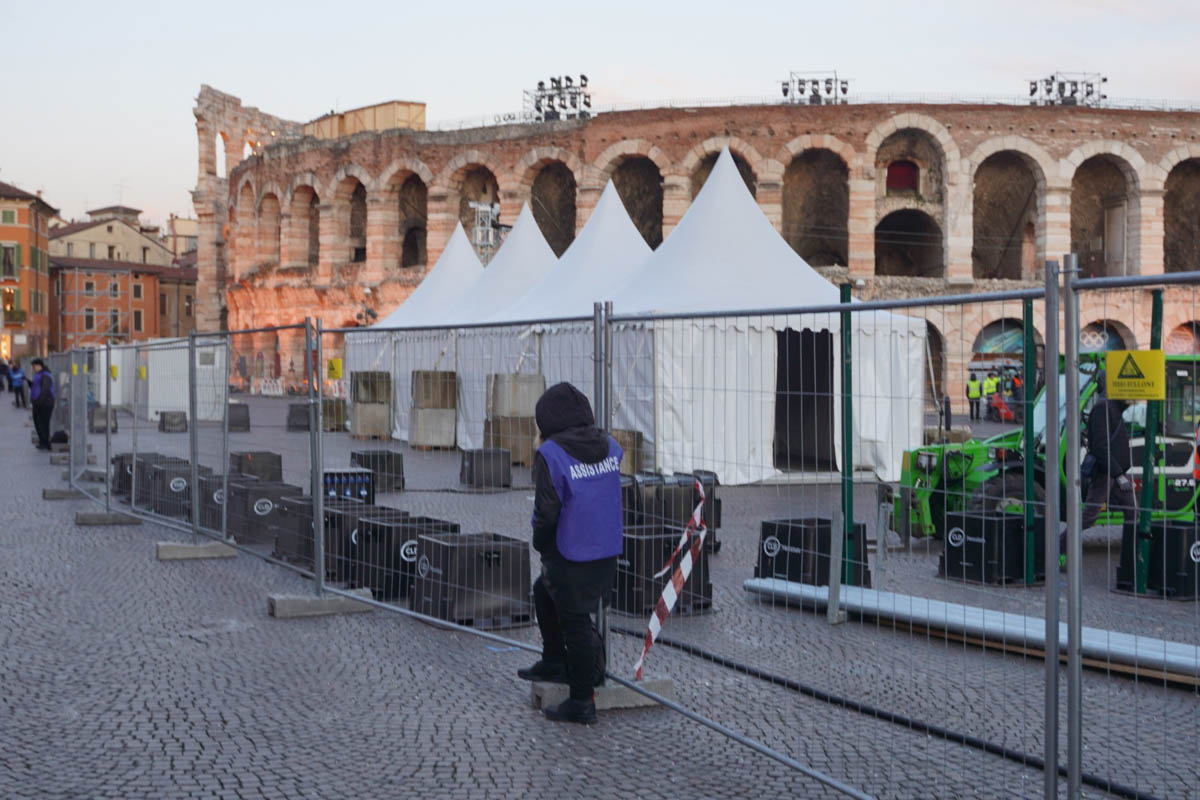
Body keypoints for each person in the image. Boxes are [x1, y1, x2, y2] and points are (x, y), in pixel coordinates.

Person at [518, 382, 623, 725]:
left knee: (576, 622)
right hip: (605, 548)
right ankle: (554, 661)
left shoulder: (551, 455)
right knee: (543, 591)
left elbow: (546, 511)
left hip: (570, 549)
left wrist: (541, 542)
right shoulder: (610, 447)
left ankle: (581, 701)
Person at [1063, 371, 1134, 569]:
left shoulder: (1111, 407)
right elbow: (1101, 448)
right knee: (1089, 517)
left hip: (1113, 471)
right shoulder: (1103, 408)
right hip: (1107, 473)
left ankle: (1131, 557)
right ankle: (1057, 549)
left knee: (1132, 512)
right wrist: (1118, 474)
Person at [29, 358, 55, 450]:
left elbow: (45, 390)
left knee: (44, 423)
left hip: (45, 404)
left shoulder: (45, 375)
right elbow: (36, 387)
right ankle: (42, 441)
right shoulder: (39, 375)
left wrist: (38, 402)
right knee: (38, 423)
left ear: (39, 365)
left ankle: (45, 443)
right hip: (38, 403)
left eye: (34, 366)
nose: (33, 368)